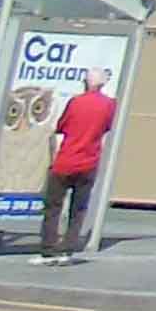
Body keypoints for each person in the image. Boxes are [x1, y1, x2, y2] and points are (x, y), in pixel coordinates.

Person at [37, 70, 121, 260]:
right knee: (78, 208)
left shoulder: (76, 102)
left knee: (53, 206)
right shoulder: (109, 105)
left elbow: (62, 126)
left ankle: (48, 246)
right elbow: (107, 126)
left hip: (65, 161)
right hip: (89, 162)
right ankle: (68, 246)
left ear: (85, 82)